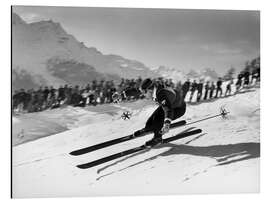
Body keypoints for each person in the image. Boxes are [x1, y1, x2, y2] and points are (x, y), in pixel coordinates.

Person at [134, 78, 186, 146]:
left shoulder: (160, 94)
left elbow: (168, 109)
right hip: (171, 104)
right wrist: (123, 95)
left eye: (144, 92)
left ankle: (157, 138)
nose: (143, 94)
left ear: (149, 90)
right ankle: (148, 128)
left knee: (159, 119)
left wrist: (167, 123)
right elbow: (134, 91)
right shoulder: (154, 88)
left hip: (178, 109)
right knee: (152, 118)